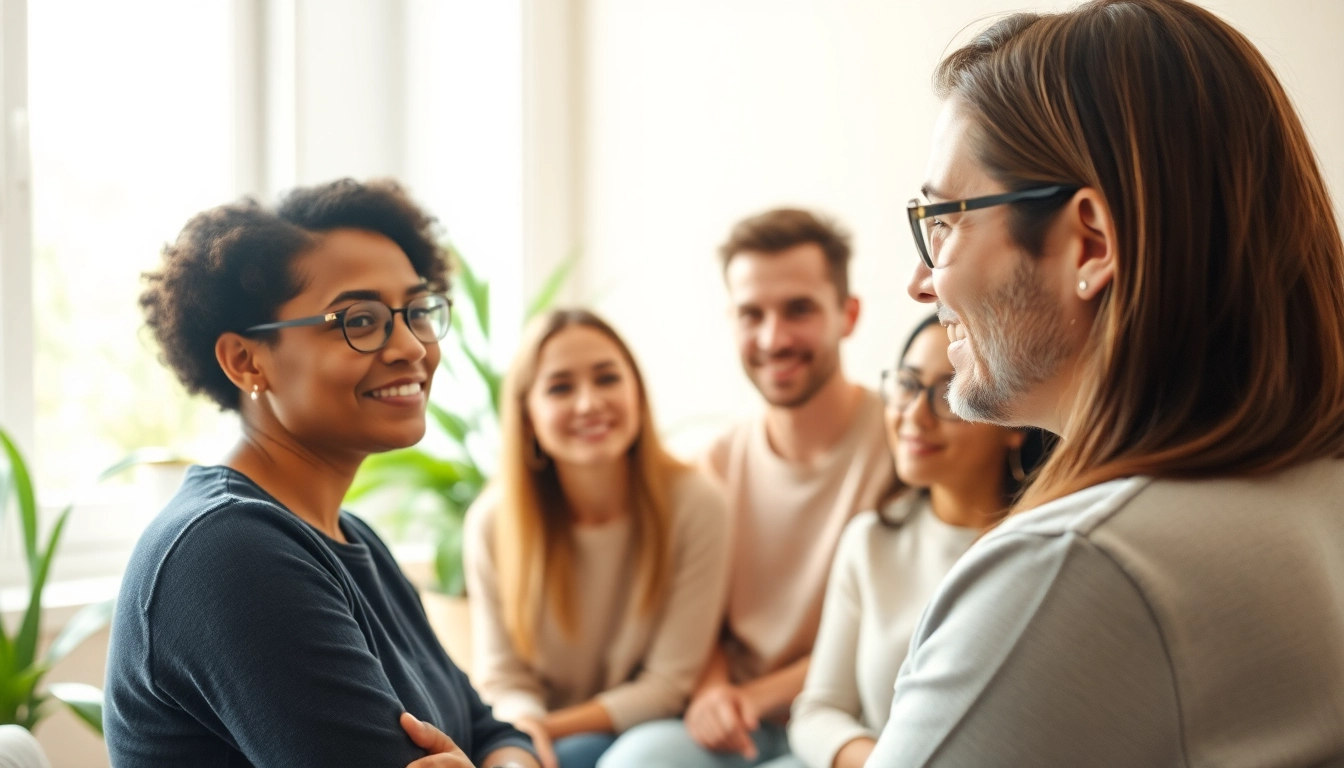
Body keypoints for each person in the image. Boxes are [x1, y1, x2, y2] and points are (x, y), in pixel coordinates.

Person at [872, 0, 1344, 764]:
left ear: (1090, 243)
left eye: (945, 222)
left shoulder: (1070, 571)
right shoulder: (1315, 491)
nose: (921, 283)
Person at [106, 179, 538, 768]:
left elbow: (491, 730)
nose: (411, 346)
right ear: (246, 360)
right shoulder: (229, 551)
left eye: (417, 311)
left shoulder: (352, 538)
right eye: (359, 320)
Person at [601, 209, 895, 767]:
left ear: (848, 314)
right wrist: (714, 690)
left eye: (799, 309)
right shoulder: (713, 464)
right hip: (734, 724)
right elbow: (698, 620)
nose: (773, 338)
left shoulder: (903, 448)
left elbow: (890, 628)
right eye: (751, 314)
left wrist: (751, 697)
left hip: (846, 723)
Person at [767, 315, 1047, 768]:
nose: (915, 416)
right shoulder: (871, 541)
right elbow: (817, 712)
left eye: (949, 392)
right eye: (907, 385)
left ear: (1014, 419)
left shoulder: (1044, 555)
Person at [464, 309, 731, 768]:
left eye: (607, 379)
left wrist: (543, 731)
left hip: (648, 733)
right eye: (560, 388)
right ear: (527, 417)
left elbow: (669, 683)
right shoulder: (492, 522)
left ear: (637, 395)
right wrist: (523, 733)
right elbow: (504, 679)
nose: (588, 403)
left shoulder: (698, 504)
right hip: (533, 732)